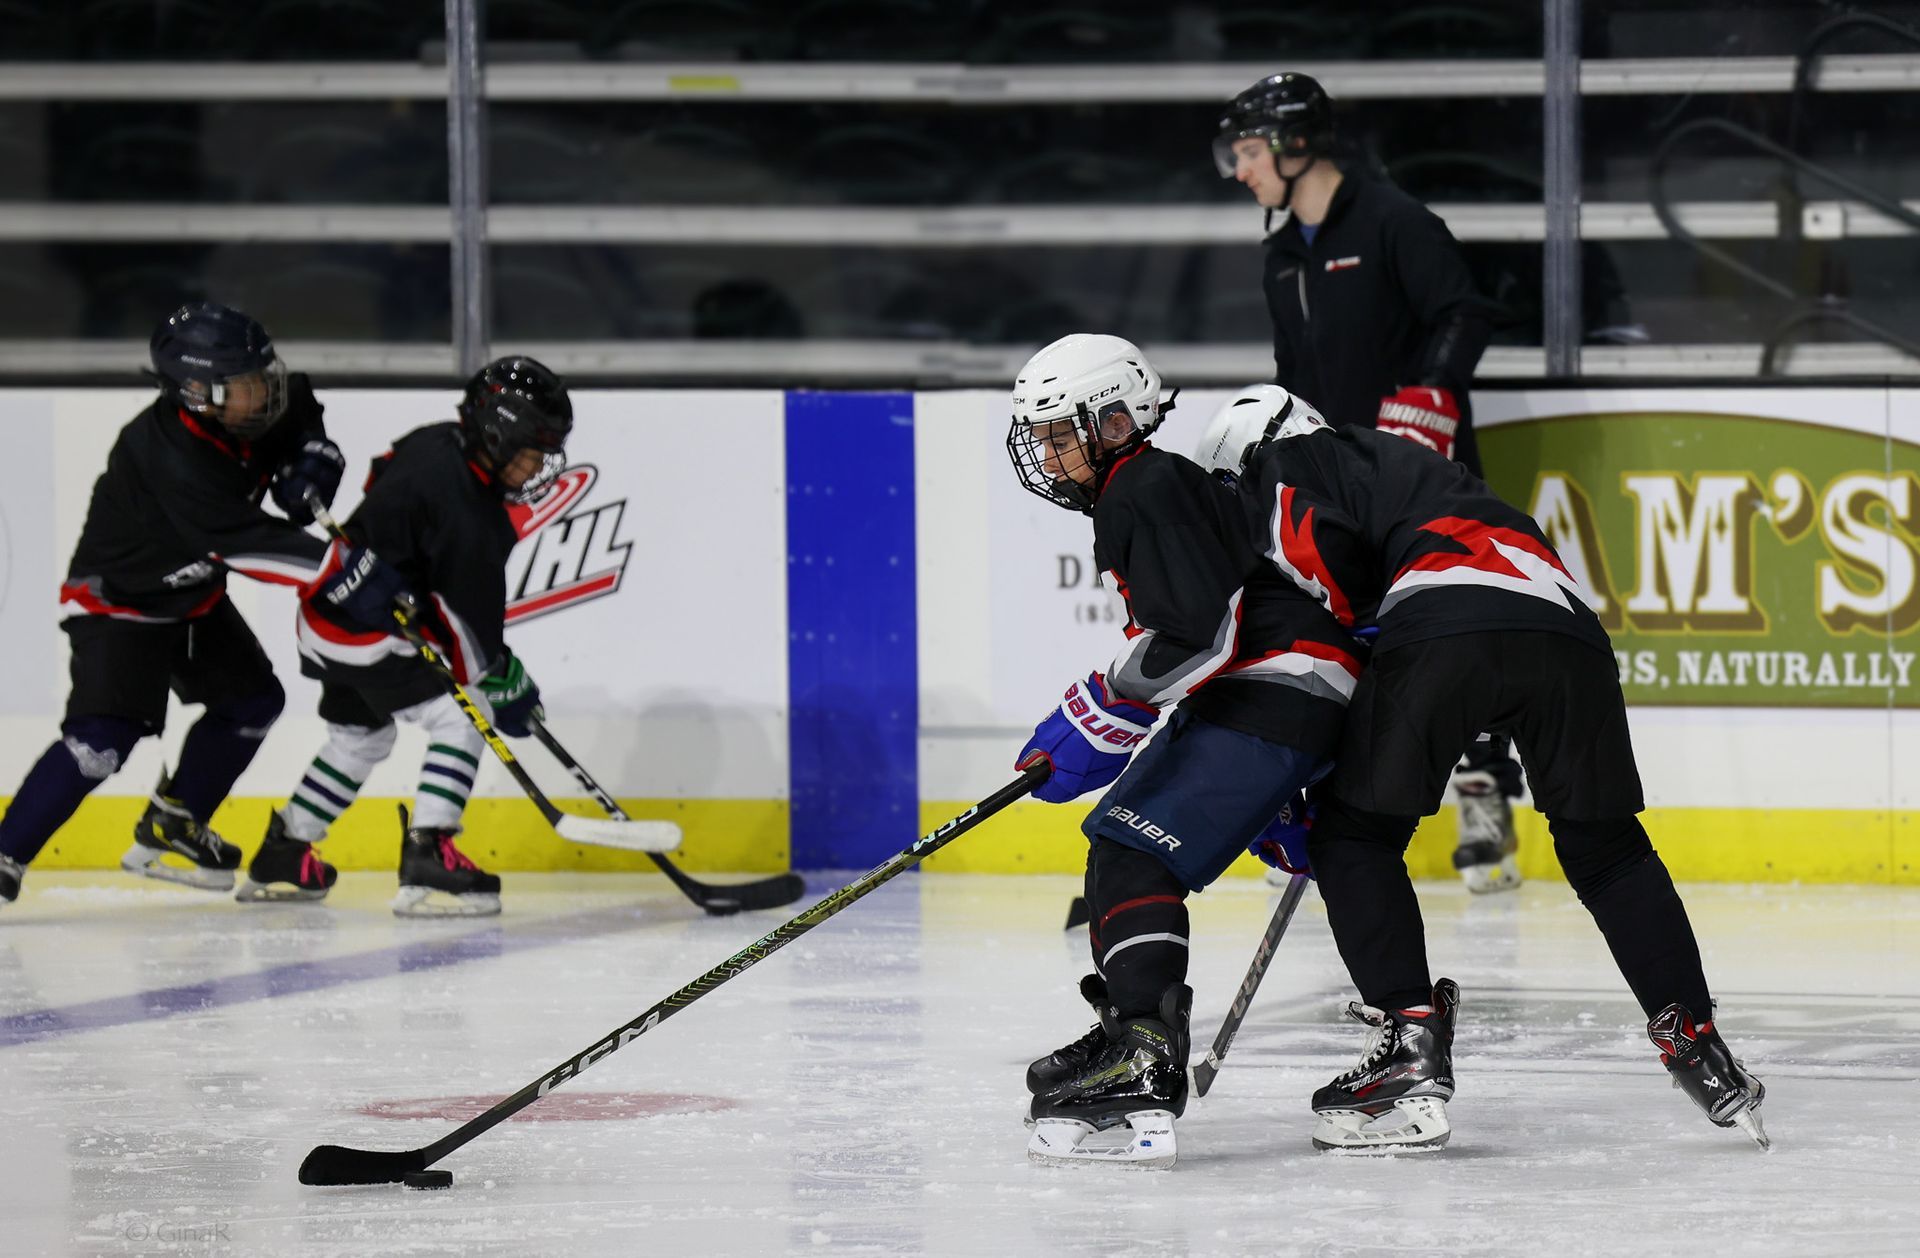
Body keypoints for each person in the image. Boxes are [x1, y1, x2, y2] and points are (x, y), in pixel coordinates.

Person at [1195, 386, 1768, 1153]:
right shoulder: (1409, 464)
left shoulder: (1287, 464)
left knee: (1353, 837)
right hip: (1566, 629)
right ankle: (1696, 1041)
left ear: (1245, 457)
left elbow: (1325, 588)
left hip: (1444, 622)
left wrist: (1318, 770)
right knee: (1608, 850)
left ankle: (1410, 1040)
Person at [1005, 335, 1362, 1168]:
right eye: (1044, 438)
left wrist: (1099, 709)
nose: (1050, 455)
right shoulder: (1146, 491)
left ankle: (1143, 1050)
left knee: (1131, 848)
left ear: (1118, 419)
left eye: (1063, 434)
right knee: (1122, 844)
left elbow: (1203, 634)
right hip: (1277, 690)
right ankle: (1135, 1035)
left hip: (1279, 688)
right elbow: (1205, 634)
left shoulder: (1148, 485)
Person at [1214, 70, 1524, 893]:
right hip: (1334, 486)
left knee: (1448, 634)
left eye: (1247, 151)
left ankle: (1486, 809)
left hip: (1422, 477)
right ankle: (1321, 814)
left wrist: (1430, 390)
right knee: (1342, 638)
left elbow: (1464, 311)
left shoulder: (1395, 221)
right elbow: (1293, 373)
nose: (1237, 170)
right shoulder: (1282, 255)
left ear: (1295, 144)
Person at [0, 301, 341, 908]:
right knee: (100, 742)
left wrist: (311, 455)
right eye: (243, 386)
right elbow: (244, 542)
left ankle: (173, 826)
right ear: (195, 393)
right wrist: (343, 570)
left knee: (252, 701)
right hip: (122, 604)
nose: (262, 393)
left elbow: (301, 403)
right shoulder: (166, 453)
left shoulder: (253, 409)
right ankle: (6, 854)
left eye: (262, 376)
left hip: (191, 597)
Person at [247, 356, 570, 916]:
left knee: (361, 739)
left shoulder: (439, 441)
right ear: (496, 435)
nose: (540, 465)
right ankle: (430, 853)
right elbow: (469, 638)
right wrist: (501, 679)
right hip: (366, 633)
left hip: (325, 619)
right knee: (465, 717)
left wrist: (397, 561)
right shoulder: (472, 515)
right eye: (532, 450)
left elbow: (381, 473)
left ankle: (284, 850)